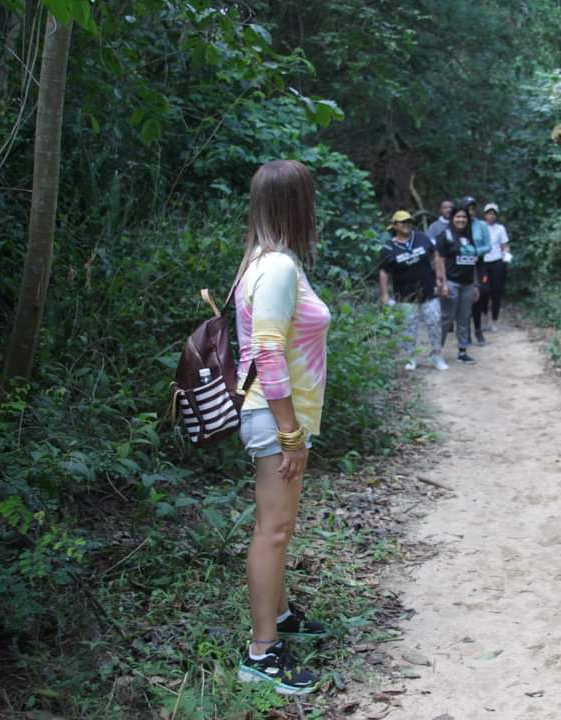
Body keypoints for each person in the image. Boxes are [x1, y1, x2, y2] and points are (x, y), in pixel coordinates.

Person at [233, 160, 331, 696]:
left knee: (280, 527)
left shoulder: (272, 261)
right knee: (272, 530)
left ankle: (282, 615)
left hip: (280, 417)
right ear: (297, 204)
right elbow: (268, 355)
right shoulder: (276, 269)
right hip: (275, 419)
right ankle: (262, 652)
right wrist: (291, 434)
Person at [379, 210, 449, 371]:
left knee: (435, 323)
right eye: (403, 222)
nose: (407, 225)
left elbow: (435, 255)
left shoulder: (421, 237)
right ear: (395, 225)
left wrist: (440, 277)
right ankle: (410, 358)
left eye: (409, 221)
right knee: (408, 328)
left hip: (428, 291)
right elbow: (383, 272)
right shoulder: (388, 247)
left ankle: (436, 355)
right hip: (405, 296)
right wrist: (385, 294)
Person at [436, 205, 481, 364]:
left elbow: (473, 262)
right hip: (451, 283)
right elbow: (439, 260)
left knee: (464, 318)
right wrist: (443, 283)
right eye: (458, 217)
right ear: (452, 218)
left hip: (468, 284)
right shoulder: (445, 235)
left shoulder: (469, 236)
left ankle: (462, 352)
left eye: (464, 217)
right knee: (446, 318)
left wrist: (475, 285)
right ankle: (436, 352)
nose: (461, 220)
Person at [460, 196, 493, 345]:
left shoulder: (481, 225)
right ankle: (465, 332)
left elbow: (488, 246)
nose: (470, 211)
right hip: (461, 263)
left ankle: (478, 330)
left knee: (481, 293)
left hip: (478, 263)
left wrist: (475, 252)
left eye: (472, 208)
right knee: (464, 297)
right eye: (467, 208)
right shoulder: (457, 224)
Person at [481, 202, 511, 332]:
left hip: (497, 262)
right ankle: (484, 318)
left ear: (496, 216)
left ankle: (494, 321)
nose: (491, 216)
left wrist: (506, 258)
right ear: (485, 214)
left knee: (496, 292)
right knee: (483, 291)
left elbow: (505, 246)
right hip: (483, 262)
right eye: (489, 213)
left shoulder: (500, 228)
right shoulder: (480, 227)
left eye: (493, 214)